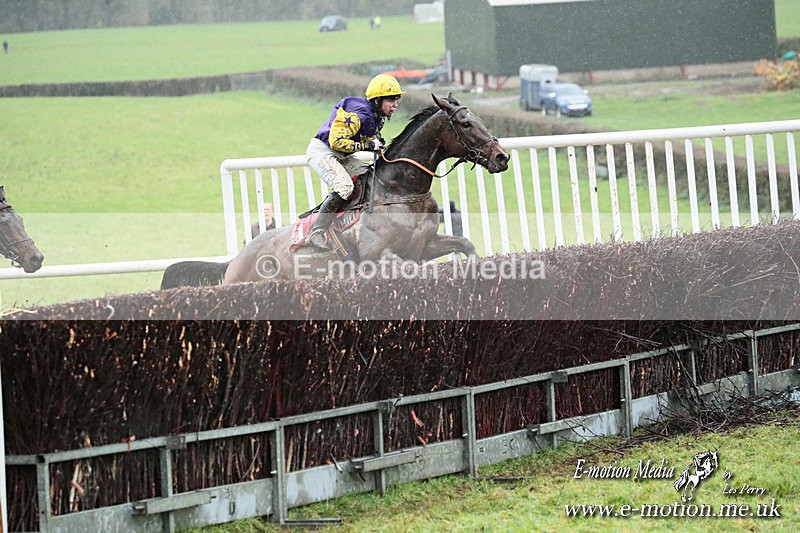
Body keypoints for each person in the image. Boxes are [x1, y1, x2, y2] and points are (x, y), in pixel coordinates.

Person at [304, 73, 404, 250]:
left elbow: (372, 140)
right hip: (322, 152)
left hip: (341, 155)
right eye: (390, 100)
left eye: (396, 99)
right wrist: (367, 145)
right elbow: (337, 142)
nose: (395, 105)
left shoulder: (376, 115)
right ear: (377, 100)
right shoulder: (358, 113)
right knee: (344, 187)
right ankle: (316, 232)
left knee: (370, 175)